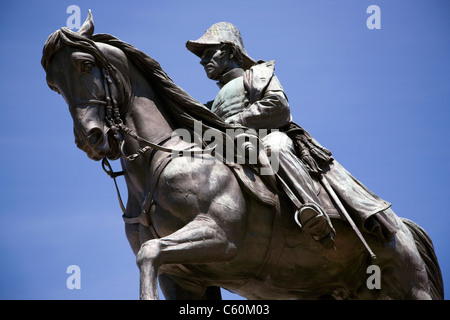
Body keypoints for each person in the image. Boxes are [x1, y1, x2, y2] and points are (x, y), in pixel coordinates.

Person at [186, 22, 336, 248]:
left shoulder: (258, 73)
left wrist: (236, 120)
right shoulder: (212, 103)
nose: (202, 60)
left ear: (229, 51)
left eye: (209, 52)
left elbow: (278, 106)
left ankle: (313, 211)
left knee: (275, 149)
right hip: (230, 144)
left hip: (268, 135)